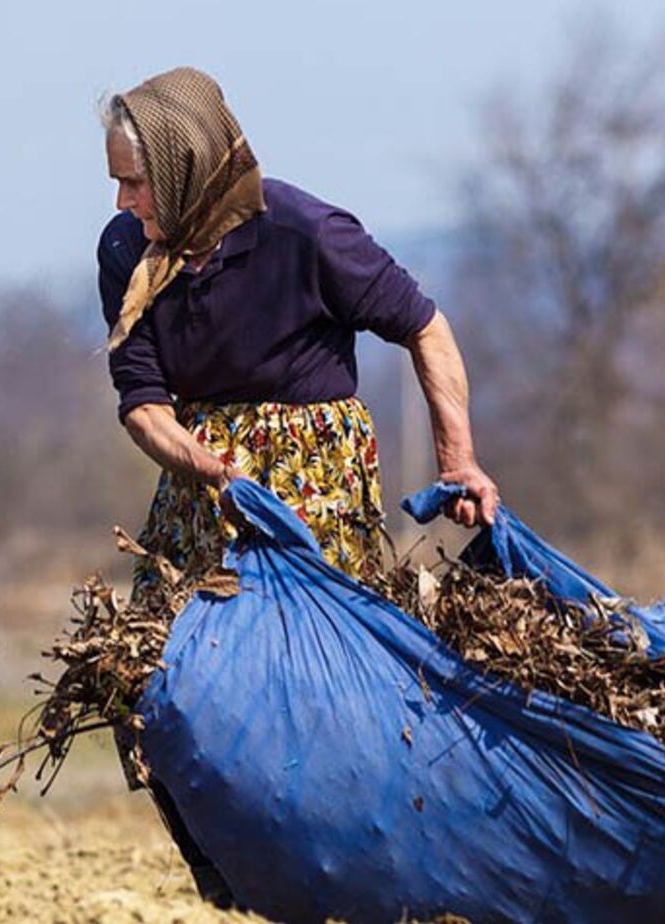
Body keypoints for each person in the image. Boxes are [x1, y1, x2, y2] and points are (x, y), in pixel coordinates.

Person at [96, 66, 499, 908]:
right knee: (138, 675)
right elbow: (142, 401)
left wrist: (458, 459)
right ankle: (228, 865)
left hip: (310, 473)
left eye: (135, 181)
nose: (123, 200)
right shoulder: (126, 252)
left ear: (184, 167)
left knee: (313, 689)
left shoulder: (305, 231)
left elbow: (424, 328)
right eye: (116, 182)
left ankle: (365, 870)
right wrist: (201, 463)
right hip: (201, 475)